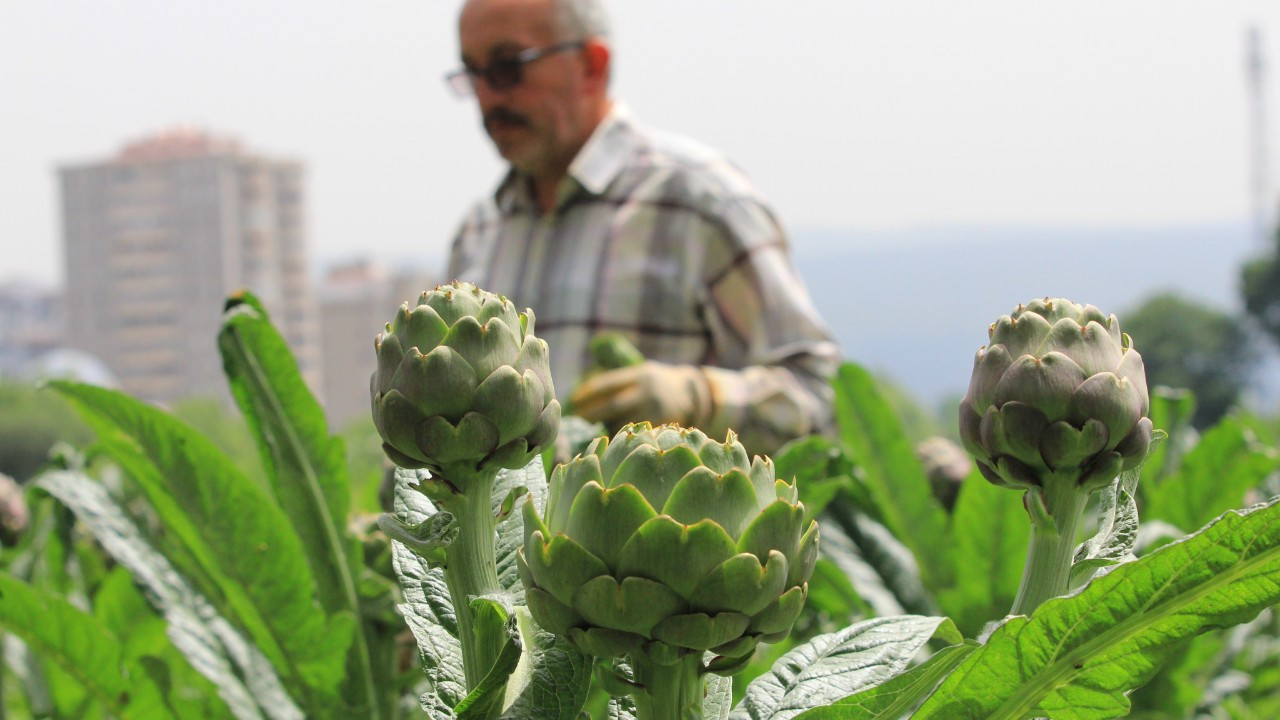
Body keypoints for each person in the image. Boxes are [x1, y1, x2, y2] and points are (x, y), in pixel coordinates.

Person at [445, 0, 840, 454]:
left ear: (593, 65)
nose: (488, 97)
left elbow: (823, 398)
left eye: (507, 67)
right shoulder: (479, 232)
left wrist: (701, 399)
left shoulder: (700, 201)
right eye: (472, 73)